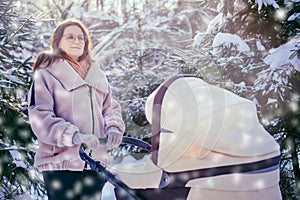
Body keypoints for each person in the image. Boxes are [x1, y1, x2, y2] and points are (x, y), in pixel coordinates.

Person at [27, 18, 125, 200]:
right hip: (62, 165)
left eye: (81, 38)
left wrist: (114, 127)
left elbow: (110, 108)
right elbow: (40, 117)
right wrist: (74, 136)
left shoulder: (97, 74)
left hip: (95, 164)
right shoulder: (46, 74)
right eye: (70, 37)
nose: (77, 41)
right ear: (58, 41)